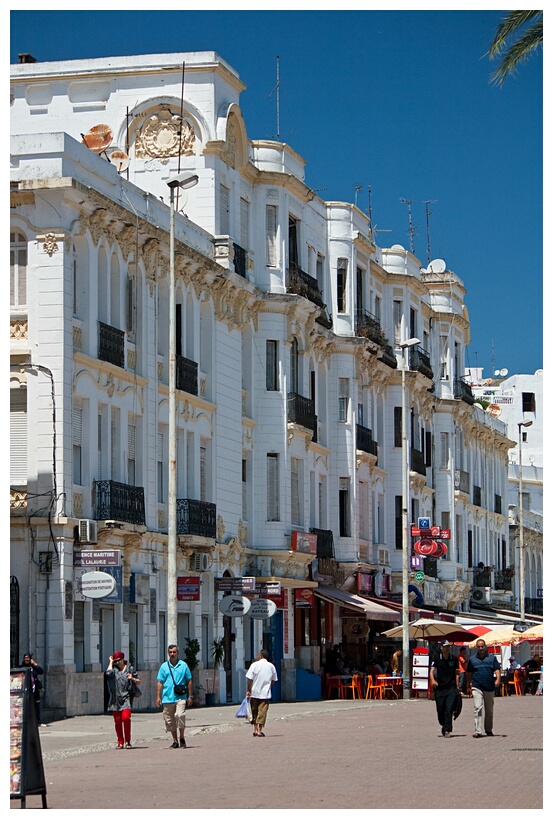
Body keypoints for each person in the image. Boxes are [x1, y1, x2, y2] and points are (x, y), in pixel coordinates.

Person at [156, 644, 193, 748]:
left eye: (174, 652)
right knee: (169, 720)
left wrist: (190, 696)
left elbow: (189, 680)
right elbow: (160, 682)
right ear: (168, 653)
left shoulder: (183, 665)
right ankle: (175, 741)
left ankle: (182, 737)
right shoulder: (164, 666)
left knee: (180, 715)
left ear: (178, 653)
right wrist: (158, 697)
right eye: (170, 652)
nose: (172, 654)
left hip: (181, 696)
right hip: (167, 697)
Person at [105, 651, 141, 749]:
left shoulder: (130, 669)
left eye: (117, 661)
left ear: (122, 660)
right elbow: (108, 673)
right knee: (117, 721)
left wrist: (132, 678)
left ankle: (128, 741)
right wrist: (111, 662)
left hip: (126, 698)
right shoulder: (114, 670)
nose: (116, 663)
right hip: (115, 699)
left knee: (126, 718)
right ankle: (120, 741)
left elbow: (139, 681)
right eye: (115, 661)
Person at [466, 639, 501, 737]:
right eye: (479, 647)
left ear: (485, 646)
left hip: (489, 687)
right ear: (476, 648)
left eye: (482, 646)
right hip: (477, 686)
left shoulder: (492, 658)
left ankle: (488, 729)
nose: (481, 648)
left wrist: (498, 679)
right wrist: (468, 684)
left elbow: (497, 669)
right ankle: (478, 731)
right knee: (477, 707)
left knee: (489, 710)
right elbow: (469, 672)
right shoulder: (472, 659)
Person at [429, 641, 460, 737]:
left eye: (448, 647)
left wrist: (457, 686)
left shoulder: (454, 659)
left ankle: (447, 730)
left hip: (451, 688)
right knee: (440, 709)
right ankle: (443, 724)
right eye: (445, 647)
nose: (447, 648)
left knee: (449, 709)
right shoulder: (437, 658)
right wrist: (433, 681)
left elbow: (457, 673)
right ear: (441, 648)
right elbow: (431, 671)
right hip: (440, 688)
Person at [245, 649, 278, 737]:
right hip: (265, 693)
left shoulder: (254, 665)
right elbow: (274, 679)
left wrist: (249, 690)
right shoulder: (271, 666)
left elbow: (249, 679)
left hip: (254, 692)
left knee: (254, 711)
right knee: (262, 711)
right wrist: (269, 686)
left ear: (260, 656)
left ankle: (255, 729)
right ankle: (259, 730)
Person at [20, 653, 45, 726]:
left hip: (34, 689)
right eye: (25, 658)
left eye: (28, 658)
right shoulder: (22, 667)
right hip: (25, 689)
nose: (26, 659)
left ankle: (38, 721)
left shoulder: (33, 667)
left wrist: (35, 664)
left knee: (36, 705)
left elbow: (41, 672)